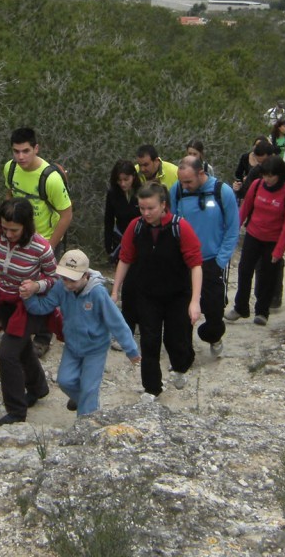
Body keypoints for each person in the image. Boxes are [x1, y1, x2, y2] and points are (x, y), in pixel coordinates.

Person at [112, 183, 203, 399]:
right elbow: (125, 258)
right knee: (149, 341)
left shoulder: (180, 227)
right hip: (147, 294)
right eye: (141, 208)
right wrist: (115, 290)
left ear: (163, 205)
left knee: (176, 339)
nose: (145, 213)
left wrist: (195, 301)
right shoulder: (136, 227)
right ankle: (152, 388)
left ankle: (181, 366)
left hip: (177, 295)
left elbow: (195, 264)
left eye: (150, 208)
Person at [26, 249, 140, 417]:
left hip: (95, 348)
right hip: (72, 345)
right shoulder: (61, 287)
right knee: (65, 381)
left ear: (85, 275)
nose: (68, 284)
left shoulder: (98, 293)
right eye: (64, 278)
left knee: (89, 387)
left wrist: (131, 350)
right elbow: (44, 306)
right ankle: (87, 403)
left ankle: (86, 424)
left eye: (72, 279)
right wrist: (28, 296)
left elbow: (116, 322)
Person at [0, 198, 59, 425]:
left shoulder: (41, 247)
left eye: (14, 230)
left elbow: (54, 278)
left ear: (26, 226)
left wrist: (36, 286)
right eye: (5, 228)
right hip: (4, 300)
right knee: (22, 349)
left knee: (7, 354)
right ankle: (38, 387)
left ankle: (16, 411)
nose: (8, 234)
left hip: (28, 307)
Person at [2, 127, 72, 358]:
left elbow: (66, 214)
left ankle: (43, 336)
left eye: (26, 151)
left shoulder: (50, 178)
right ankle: (19, 327)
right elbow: (9, 196)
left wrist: (50, 247)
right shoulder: (10, 169)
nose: (21, 157)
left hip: (45, 239)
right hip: (20, 238)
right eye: (16, 151)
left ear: (36, 148)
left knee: (44, 289)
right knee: (18, 282)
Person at [169, 155, 240, 359]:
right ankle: (184, 356)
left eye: (189, 181)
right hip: (184, 262)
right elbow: (171, 222)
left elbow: (232, 229)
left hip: (211, 262)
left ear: (201, 173)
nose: (185, 186)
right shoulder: (177, 190)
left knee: (214, 310)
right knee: (182, 312)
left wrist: (221, 260)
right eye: (182, 181)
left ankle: (213, 335)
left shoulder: (222, 192)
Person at [226, 155, 285, 326]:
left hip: (273, 239)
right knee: (244, 270)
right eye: (265, 175)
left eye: (271, 176)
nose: (267, 179)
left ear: (279, 175)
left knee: (267, 276)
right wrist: (233, 229)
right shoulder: (257, 185)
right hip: (253, 234)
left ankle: (262, 311)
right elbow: (245, 208)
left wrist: (279, 250)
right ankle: (240, 306)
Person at [103, 159, 142, 337]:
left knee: (141, 282)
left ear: (133, 177)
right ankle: (127, 326)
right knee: (126, 285)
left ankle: (142, 319)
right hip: (121, 240)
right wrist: (108, 242)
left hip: (141, 240)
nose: (123, 183)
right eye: (120, 180)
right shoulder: (113, 193)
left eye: (126, 179)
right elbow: (109, 218)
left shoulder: (143, 192)